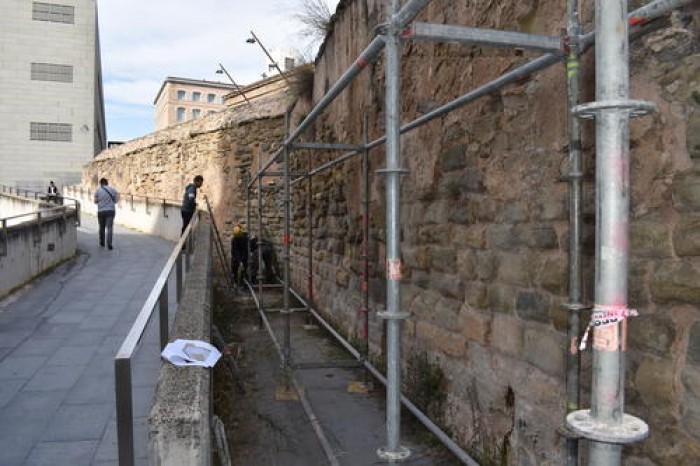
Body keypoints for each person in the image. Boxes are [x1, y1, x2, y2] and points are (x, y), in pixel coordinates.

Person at [93, 177, 119, 250]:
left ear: (100, 183)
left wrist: (100, 201)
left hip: (101, 211)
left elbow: (95, 201)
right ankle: (109, 244)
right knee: (110, 227)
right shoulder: (112, 189)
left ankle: (102, 242)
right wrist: (114, 201)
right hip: (110, 210)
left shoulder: (97, 191)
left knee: (101, 227)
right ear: (107, 183)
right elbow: (117, 197)